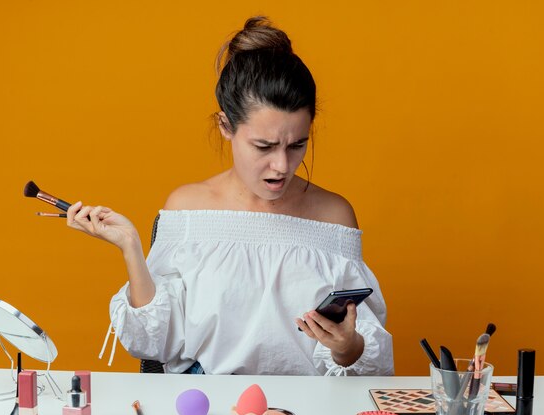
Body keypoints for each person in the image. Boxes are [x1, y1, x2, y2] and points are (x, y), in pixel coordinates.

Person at [67, 16, 394, 376]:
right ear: (225, 126)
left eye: (297, 144)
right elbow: (151, 343)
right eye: (263, 146)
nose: (282, 165)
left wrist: (347, 347)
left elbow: (364, 360)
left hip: (307, 410)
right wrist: (130, 245)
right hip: (206, 408)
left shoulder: (334, 215)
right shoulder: (188, 208)